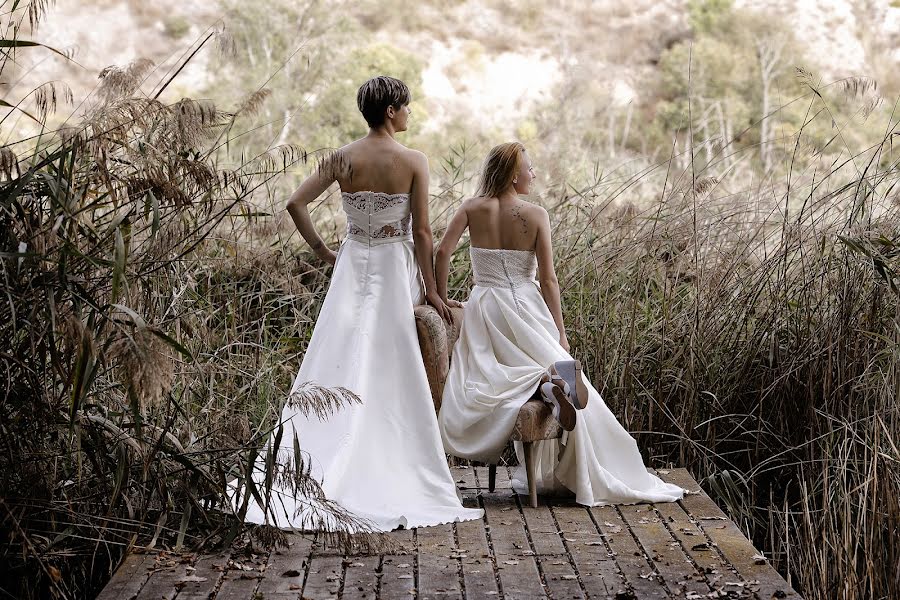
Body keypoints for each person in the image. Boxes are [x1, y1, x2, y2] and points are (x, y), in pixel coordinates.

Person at [237, 76, 483, 531]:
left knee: (338, 355)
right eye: (405, 106)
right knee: (392, 361)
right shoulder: (413, 160)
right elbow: (425, 234)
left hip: (352, 265)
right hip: (393, 269)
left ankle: (317, 456)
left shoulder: (341, 158)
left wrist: (324, 253)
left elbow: (295, 203)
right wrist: (432, 289)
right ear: (390, 110)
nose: (409, 113)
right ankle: (384, 457)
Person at [435, 142, 684, 506]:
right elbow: (549, 279)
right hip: (528, 309)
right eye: (529, 168)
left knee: (491, 370)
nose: (533, 174)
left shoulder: (472, 208)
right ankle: (550, 384)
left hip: (486, 309)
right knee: (543, 362)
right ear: (513, 174)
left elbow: (442, 251)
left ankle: (545, 385)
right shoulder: (535, 215)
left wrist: (440, 297)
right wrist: (561, 333)